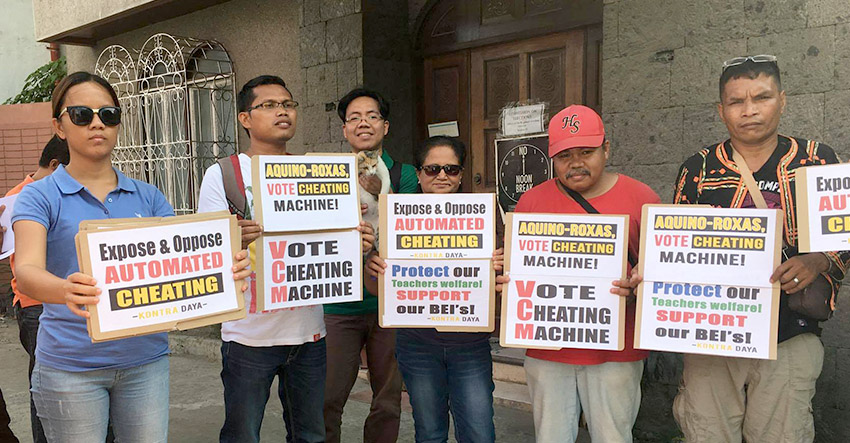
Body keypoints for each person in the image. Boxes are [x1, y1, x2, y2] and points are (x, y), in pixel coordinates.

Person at [11, 71, 251, 443]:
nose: (97, 124)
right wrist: (65, 289)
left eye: (108, 115)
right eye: (81, 115)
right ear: (59, 126)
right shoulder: (39, 196)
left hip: (146, 363)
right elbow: (26, 271)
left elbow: (183, 259)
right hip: (71, 367)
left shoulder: (149, 196)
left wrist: (224, 269)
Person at [671, 55, 849, 442]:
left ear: (782, 100)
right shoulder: (698, 169)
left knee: (783, 434)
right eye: (736, 101)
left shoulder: (817, 159)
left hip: (790, 334)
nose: (749, 110)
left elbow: (844, 235)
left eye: (762, 97)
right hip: (711, 336)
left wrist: (817, 260)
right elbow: (675, 246)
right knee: (707, 433)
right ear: (721, 110)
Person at [197, 75, 375, 443]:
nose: (282, 112)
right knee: (242, 434)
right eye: (269, 105)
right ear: (245, 119)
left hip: (309, 334)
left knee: (310, 434)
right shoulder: (223, 174)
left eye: (288, 105)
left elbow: (336, 243)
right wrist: (234, 239)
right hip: (248, 336)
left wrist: (355, 242)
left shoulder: (317, 173)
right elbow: (208, 251)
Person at [514, 105, 660, 442]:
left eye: (586, 151)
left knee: (613, 436)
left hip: (616, 352)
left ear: (606, 149)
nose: (576, 162)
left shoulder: (641, 198)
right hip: (547, 350)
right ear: (552, 157)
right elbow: (519, 269)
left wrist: (642, 281)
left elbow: (662, 276)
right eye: (565, 155)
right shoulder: (531, 202)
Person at [364, 136, 507, 443]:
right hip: (417, 345)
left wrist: (498, 268)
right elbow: (376, 290)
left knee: (480, 434)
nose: (442, 175)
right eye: (432, 169)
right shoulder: (394, 220)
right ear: (418, 174)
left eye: (451, 169)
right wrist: (373, 269)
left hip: (470, 346)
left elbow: (498, 291)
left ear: (462, 174)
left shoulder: (480, 218)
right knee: (429, 433)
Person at [323, 88, 417, 443]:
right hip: (338, 304)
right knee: (328, 397)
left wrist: (382, 194)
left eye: (372, 116)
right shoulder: (325, 177)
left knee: (388, 399)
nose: (364, 123)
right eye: (354, 118)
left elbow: (411, 231)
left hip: (389, 304)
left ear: (386, 126)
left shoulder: (406, 175)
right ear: (345, 130)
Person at [5, 134, 69, 443]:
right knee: (44, 386)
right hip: (36, 306)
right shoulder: (20, 199)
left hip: (65, 299)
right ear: (56, 165)